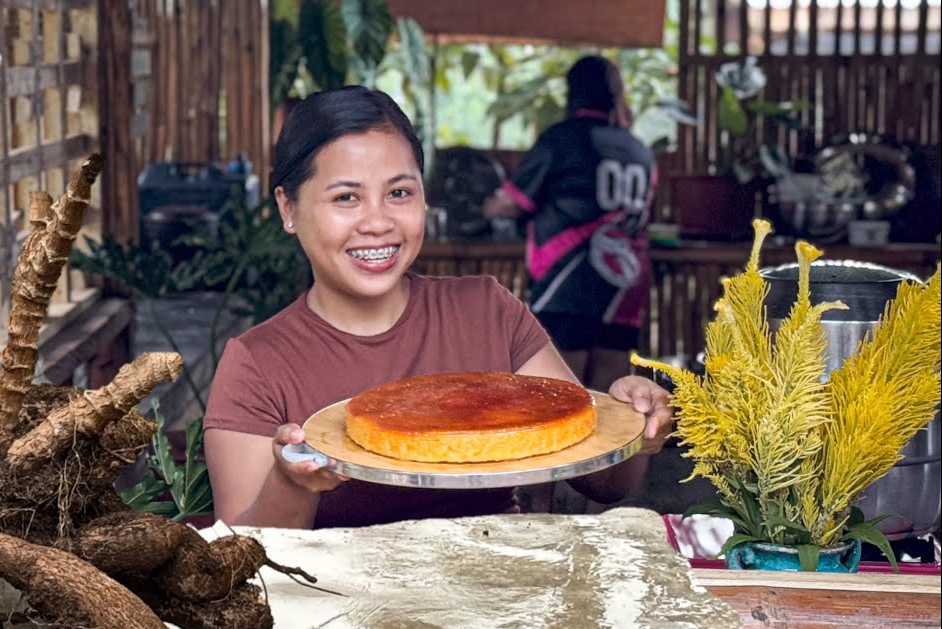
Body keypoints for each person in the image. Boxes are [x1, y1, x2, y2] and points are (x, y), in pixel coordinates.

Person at [203, 86, 671, 530]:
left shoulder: (487, 310)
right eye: (346, 197)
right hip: (341, 608)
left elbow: (601, 480)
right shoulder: (257, 363)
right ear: (288, 208)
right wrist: (292, 484)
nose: (378, 222)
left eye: (399, 192)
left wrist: (635, 431)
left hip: (500, 596)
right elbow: (239, 560)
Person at [483, 55, 656, 392]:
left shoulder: (560, 140)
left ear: (572, 92)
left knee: (558, 395)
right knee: (611, 395)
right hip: (624, 282)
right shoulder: (640, 150)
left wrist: (490, 205)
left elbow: (513, 204)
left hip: (568, 282)